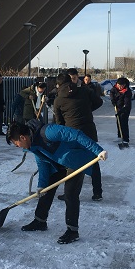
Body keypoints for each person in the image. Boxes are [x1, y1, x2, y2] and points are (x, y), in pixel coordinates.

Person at [6, 119, 108, 244]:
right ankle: (40, 221)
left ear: (22, 137)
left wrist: (98, 150)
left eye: (15, 143)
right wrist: (41, 186)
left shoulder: (48, 132)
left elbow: (76, 134)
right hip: (59, 163)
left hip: (75, 160)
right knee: (46, 190)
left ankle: (72, 231)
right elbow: (43, 164)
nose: (17, 146)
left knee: (70, 194)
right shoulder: (33, 144)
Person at [53, 73, 104, 201]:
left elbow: (59, 122)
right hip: (89, 131)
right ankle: (97, 192)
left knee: (73, 164)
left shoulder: (58, 100)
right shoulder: (84, 91)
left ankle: (70, 193)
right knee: (94, 162)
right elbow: (99, 101)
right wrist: (87, 110)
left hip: (72, 134)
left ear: (58, 84)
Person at [109, 77, 132, 146]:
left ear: (124, 85)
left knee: (123, 122)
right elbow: (112, 93)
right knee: (118, 122)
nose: (119, 87)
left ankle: (125, 139)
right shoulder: (114, 88)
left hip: (125, 108)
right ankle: (120, 136)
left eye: (121, 86)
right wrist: (113, 102)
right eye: (118, 85)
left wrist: (122, 110)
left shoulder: (127, 91)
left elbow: (127, 103)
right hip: (117, 107)